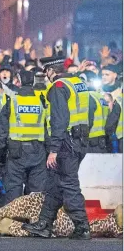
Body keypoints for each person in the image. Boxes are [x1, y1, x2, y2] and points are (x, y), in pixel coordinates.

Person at [22, 56, 91, 240]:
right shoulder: (78, 83)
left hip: (65, 144)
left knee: (69, 184)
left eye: (46, 73)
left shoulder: (58, 88)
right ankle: (45, 223)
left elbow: (59, 121)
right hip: (79, 140)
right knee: (54, 184)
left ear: (51, 71)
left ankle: (82, 225)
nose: (46, 76)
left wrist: (53, 150)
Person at [0, 70, 48, 204]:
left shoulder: (12, 101)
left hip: (16, 152)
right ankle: (35, 221)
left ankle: (14, 221)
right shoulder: (41, 101)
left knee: (14, 190)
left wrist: (0, 152)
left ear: (19, 81)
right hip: (38, 151)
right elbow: (48, 127)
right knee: (36, 192)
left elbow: (1, 131)